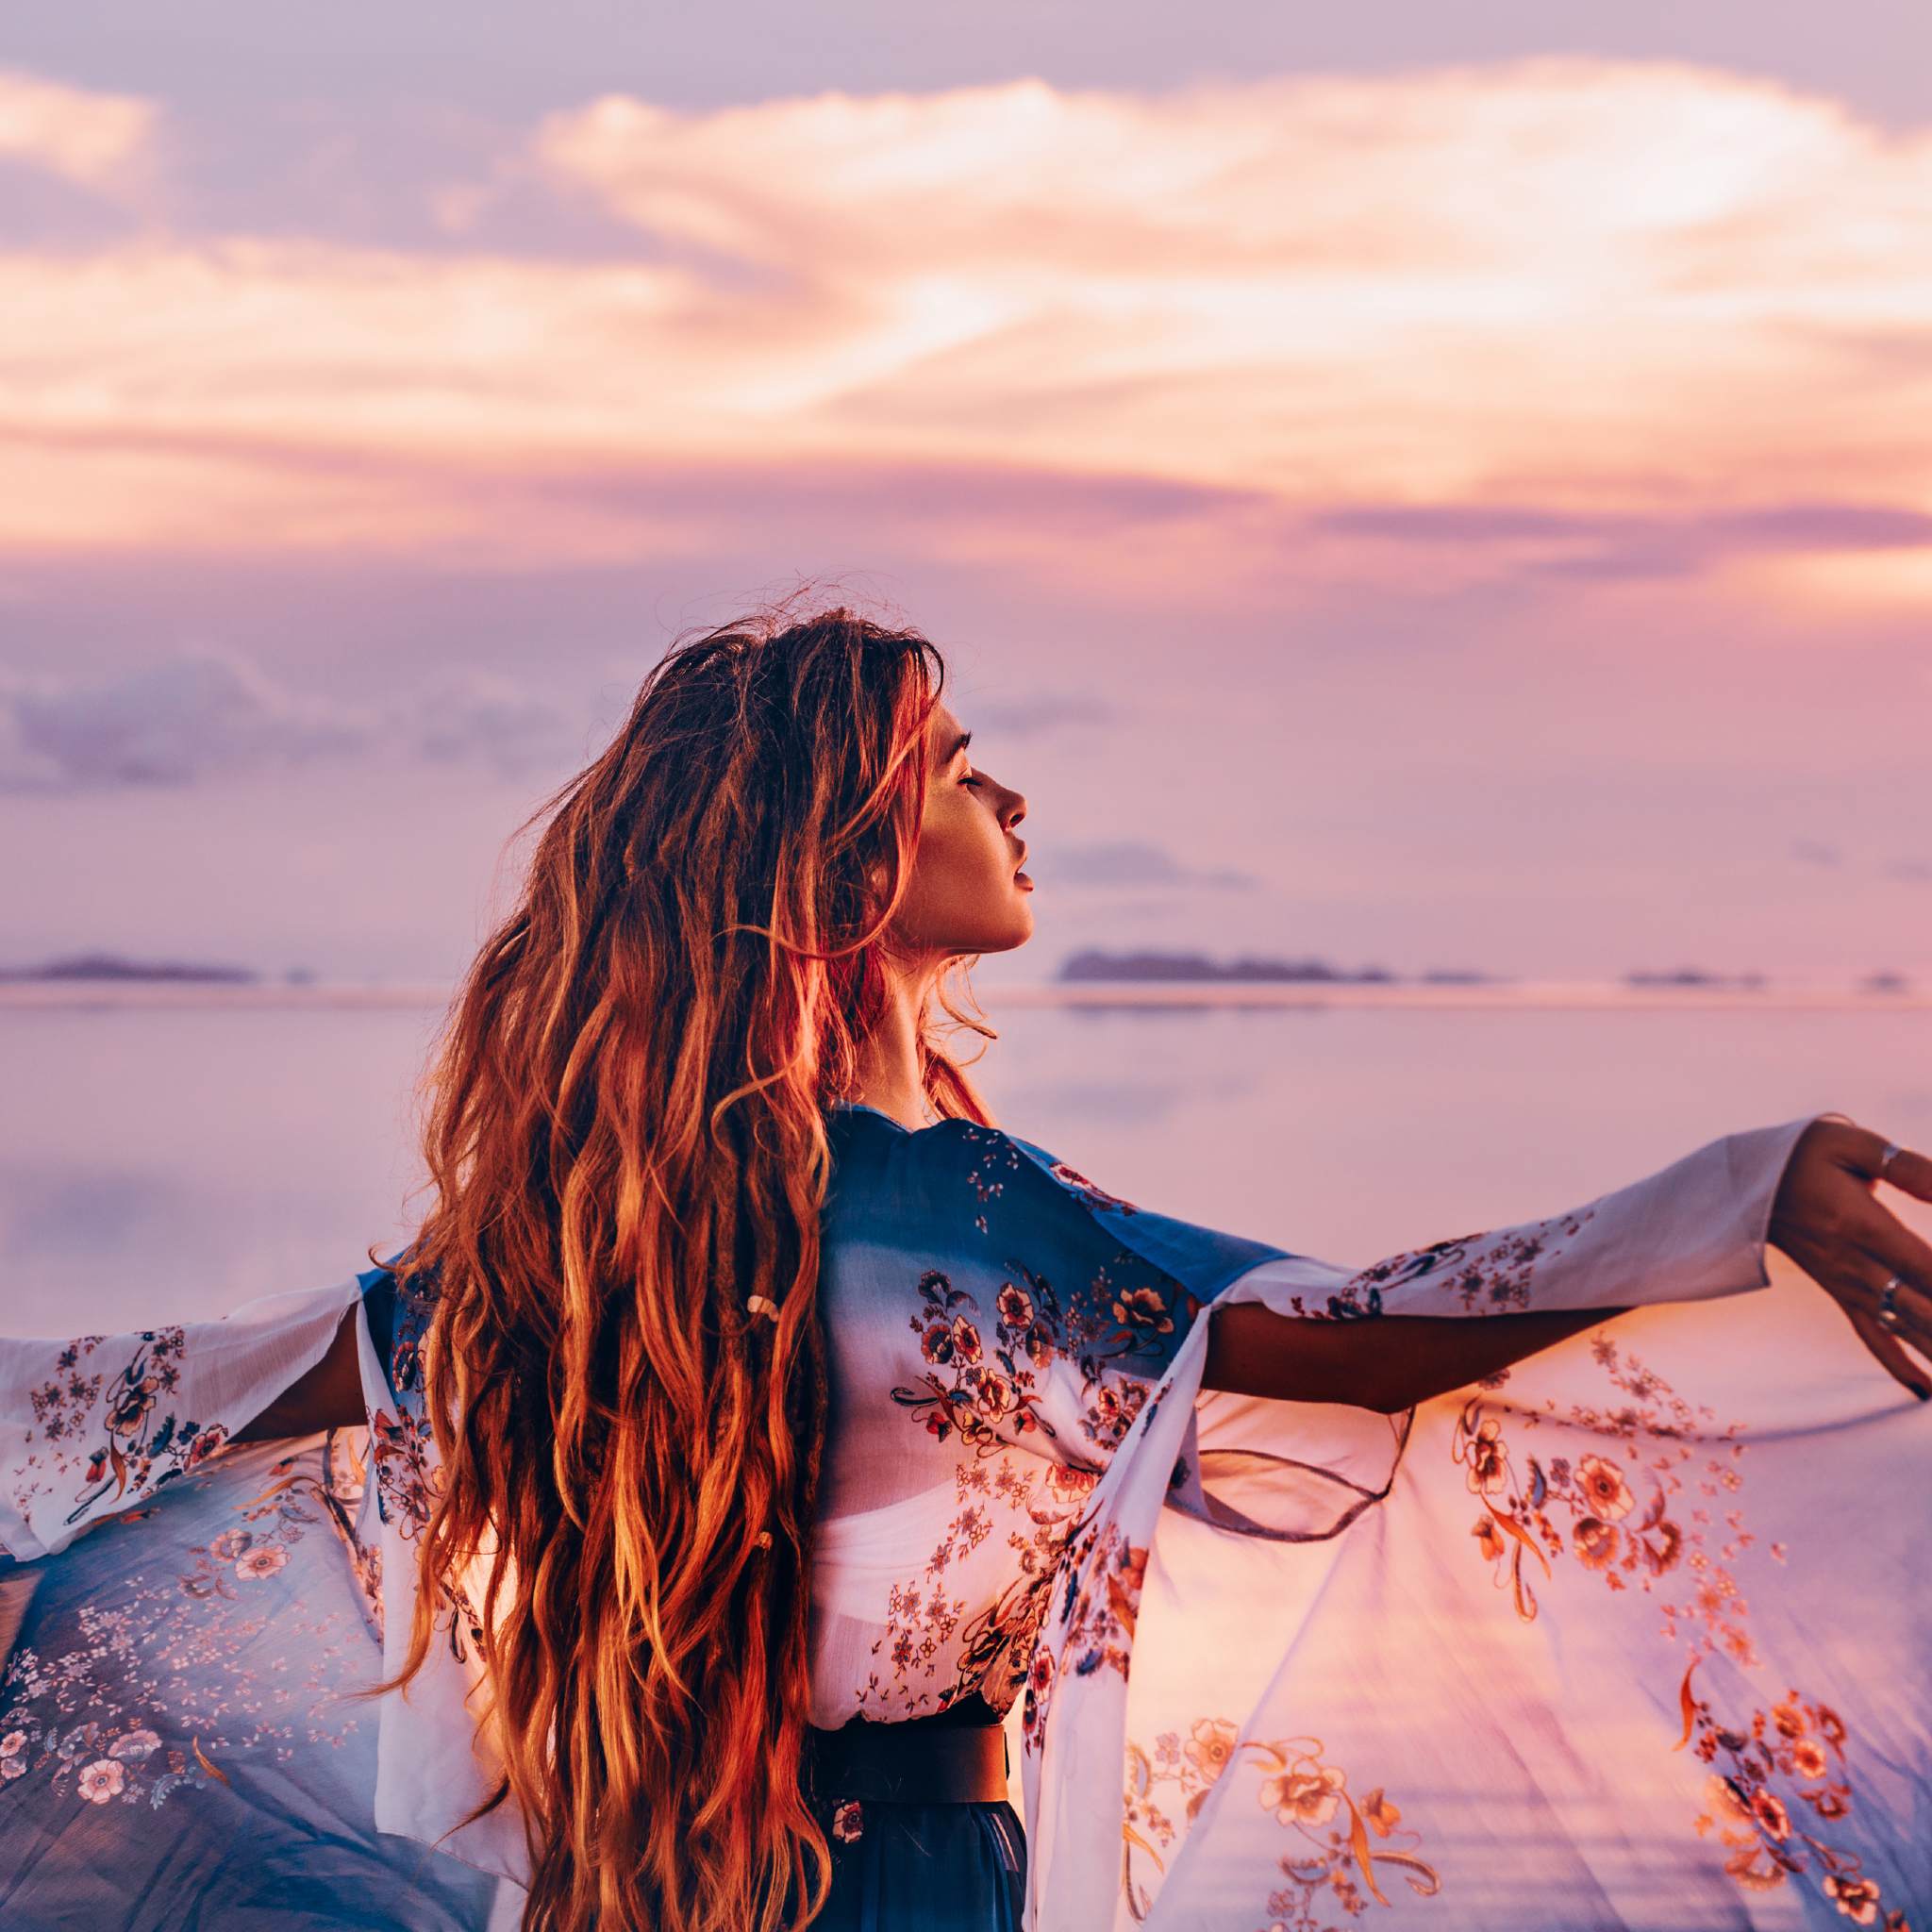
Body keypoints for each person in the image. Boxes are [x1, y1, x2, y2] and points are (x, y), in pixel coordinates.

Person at [2, 602, 1928, 1932]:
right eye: (959, 770)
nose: (1011, 807)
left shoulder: (579, 1228)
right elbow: (1350, 1337)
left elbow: (184, 1394)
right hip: (892, 1882)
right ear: (841, 848)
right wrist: (1729, 1199)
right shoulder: (956, 1210)